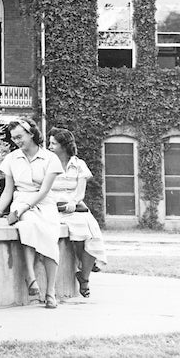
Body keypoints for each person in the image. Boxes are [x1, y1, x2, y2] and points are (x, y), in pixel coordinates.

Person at [0, 118, 64, 308]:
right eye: (14, 138)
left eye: (20, 136)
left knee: (50, 235)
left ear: (31, 134)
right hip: (20, 201)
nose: (17, 141)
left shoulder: (50, 159)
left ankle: (50, 291)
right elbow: (8, 191)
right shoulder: (12, 159)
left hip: (43, 203)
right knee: (27, 225)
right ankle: (30, 277)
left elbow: (44, 191)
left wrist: (24, 207)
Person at [47, 127, 109, 298]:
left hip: (74, 207)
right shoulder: (47, 163)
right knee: (76, 234)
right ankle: (86, 267)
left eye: (54, 143)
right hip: (52, 207)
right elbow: (44, 189)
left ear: (64, 145)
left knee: (90, 230)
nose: (50, 146)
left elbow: (80, 191)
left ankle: (84, 276)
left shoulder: (79, 164)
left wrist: (73, 203)